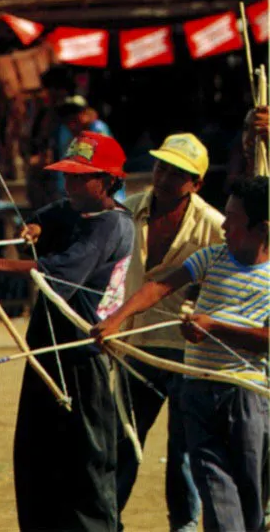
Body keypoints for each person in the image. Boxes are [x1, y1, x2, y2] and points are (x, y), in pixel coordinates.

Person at [0, 131, 134, 531]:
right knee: (36, 461)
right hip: (47, 353)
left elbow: (62, 271)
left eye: (80, 178)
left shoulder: (112, 225)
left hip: (81, 357)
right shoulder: (79, 210)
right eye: (68, 176)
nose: (69, 184)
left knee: (86, 470)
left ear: (108, 182)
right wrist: (36, 226)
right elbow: (56, 212)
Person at [93, 176, 270, 532]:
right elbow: (159, 286)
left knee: (251, 495)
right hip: (199, 393)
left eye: (232, 219)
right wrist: (116, 319)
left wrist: (214, 328)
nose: (222, 225)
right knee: (216, 489)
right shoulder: (212, 256)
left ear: (261, 229)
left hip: (246, 397)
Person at [115, 133, 224, 532]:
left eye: (178, 174)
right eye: (162, 167)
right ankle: (110, 517)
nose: (163, 178)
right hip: (134, 343)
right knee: (123, 439)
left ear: (195, 184)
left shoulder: (214, 224)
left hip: (187, 350)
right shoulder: (128, 210)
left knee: (184, 448)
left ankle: (184, 524)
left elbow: (239, 270)